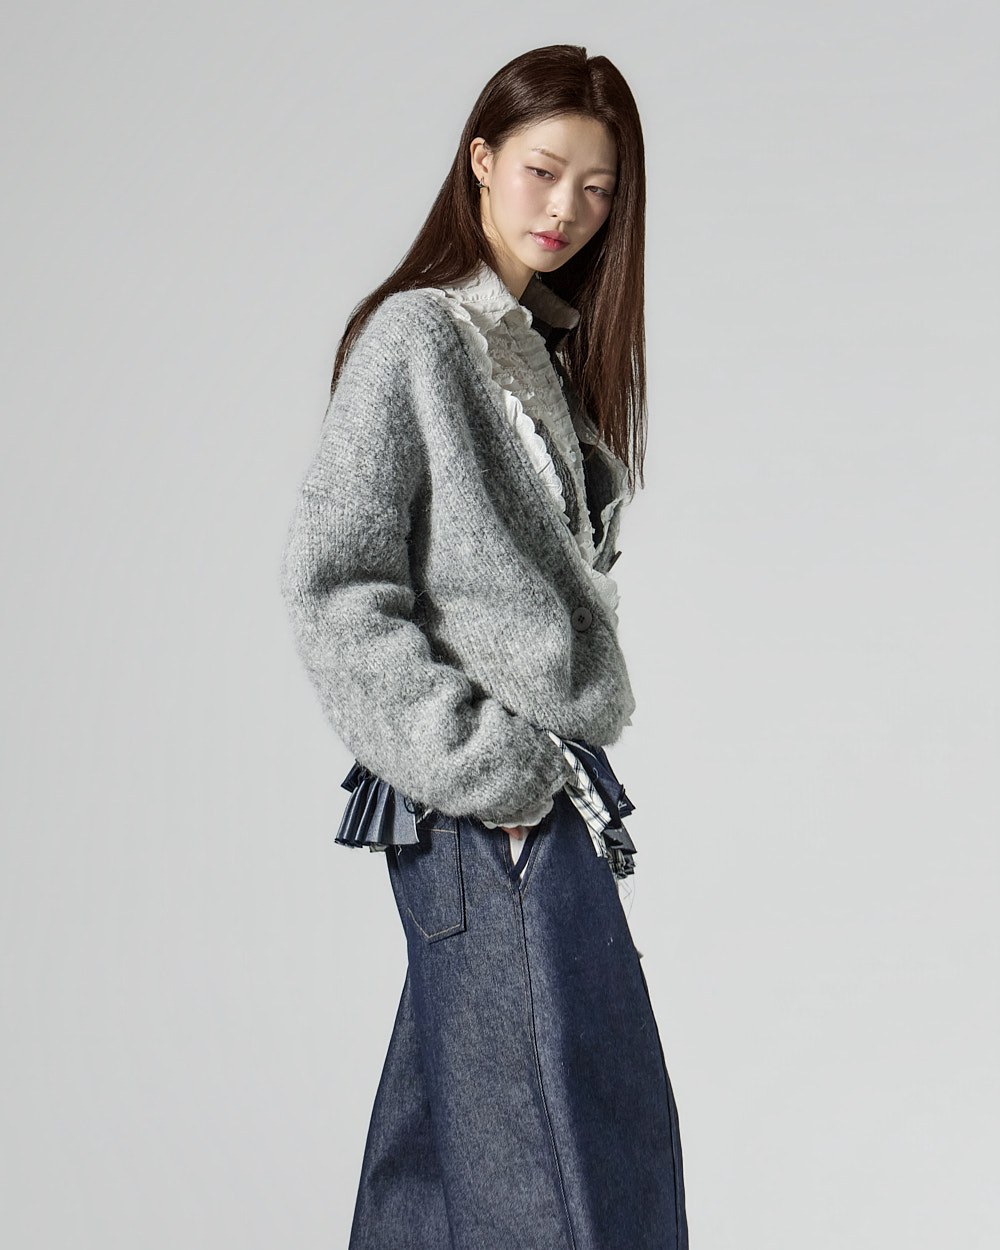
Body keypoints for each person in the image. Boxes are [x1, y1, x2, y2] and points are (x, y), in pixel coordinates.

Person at [279, 43, 689, 1250]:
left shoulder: (533, 350)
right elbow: (336, 584)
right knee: (564, 1165)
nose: (566, 208)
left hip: (531, 800)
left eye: (597, 188)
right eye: (542, 171)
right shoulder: (419, 335)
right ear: (480, 160)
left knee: (443, 1168)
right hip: (486, 810)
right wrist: (488, 767)